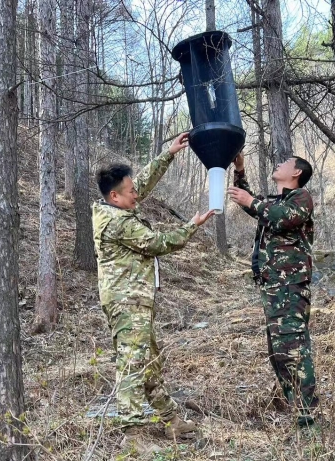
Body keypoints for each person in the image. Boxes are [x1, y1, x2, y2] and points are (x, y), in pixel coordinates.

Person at [92, 132, 214, 440]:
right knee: (133, 363)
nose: (137, 194)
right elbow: (158, 243)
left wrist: (169, 154)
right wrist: (192, 226)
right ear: (114, 197)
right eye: (130, 191)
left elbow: (141, 184)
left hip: (134, 299)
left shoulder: (117, 205)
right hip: (127, 301)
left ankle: (170, 419)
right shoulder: (118, 222)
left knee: (149, 362)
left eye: (134, 189)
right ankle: (133, 432)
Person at [227, 153, 319, 427]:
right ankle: (298, 410)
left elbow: (280, 218)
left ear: (296, 173)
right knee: (279, 352)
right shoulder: (275, 202)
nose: (278, 164)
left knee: (292, 349)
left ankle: (308, 417)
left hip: (290, 288)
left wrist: (252, 202)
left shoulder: (301, 198)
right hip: (274, 288)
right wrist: (240, 169)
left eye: (285, 163)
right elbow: (252, 204)